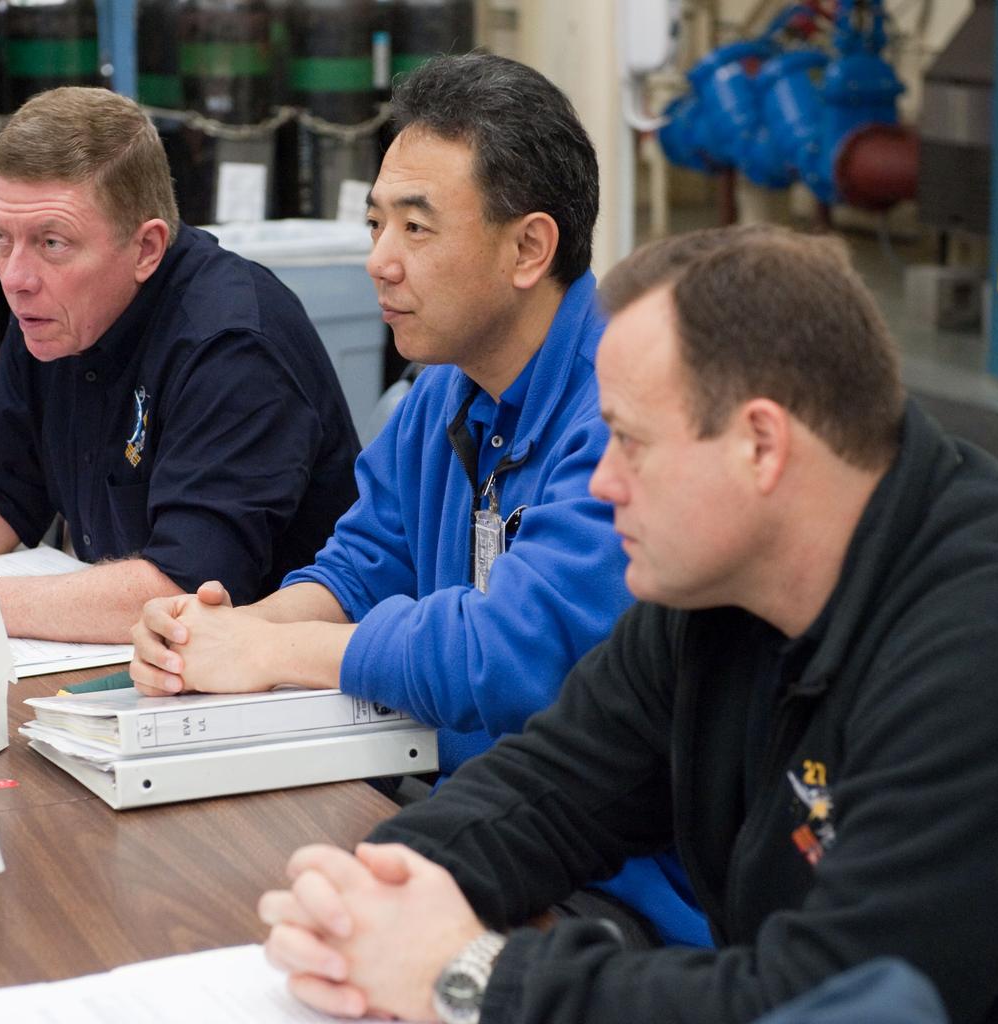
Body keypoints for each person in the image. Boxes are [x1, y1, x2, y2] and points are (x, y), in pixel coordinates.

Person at [255, 225, 998, 1024]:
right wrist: (372, 891)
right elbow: (554, 789)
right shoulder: (713, 592)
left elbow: (828, 998)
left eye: (629, 442)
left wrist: (473, 978)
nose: (602, 481)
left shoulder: (995, 652)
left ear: (761, 445)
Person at [130, 53, 709, 947]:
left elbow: (513, 653)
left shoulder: (622, 407)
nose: (379, 263)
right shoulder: (445, 388)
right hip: (467, 826)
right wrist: (216, 635)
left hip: (611, 889)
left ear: (530, 248)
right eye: (373, 224)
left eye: (416, 229)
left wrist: (275, 649)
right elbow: (363, 565)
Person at [0, 87, 360, 642]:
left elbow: (186, 588)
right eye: (0, 237)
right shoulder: (54, 312)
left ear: (146, 249)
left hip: (272, 687)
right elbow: (4, 488)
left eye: (52, 242)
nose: (15, 278)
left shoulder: (232, 347)